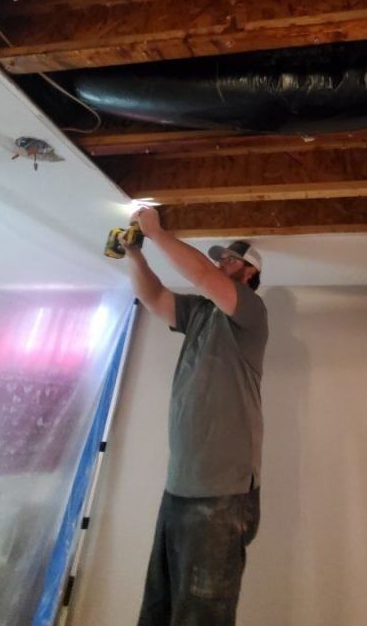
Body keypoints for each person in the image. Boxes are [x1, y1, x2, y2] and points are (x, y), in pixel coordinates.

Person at [122, 205, 268, 626]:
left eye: (231, 259)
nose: (221, 262)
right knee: (159, 607)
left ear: (249, 276)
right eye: (219, 256)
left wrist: (156, 232)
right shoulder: (200, 314)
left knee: (202, 616)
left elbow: (203, 275)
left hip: (222, 495)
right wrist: (135, 255)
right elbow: (152, 297)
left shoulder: (251, 313)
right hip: (179, 489)